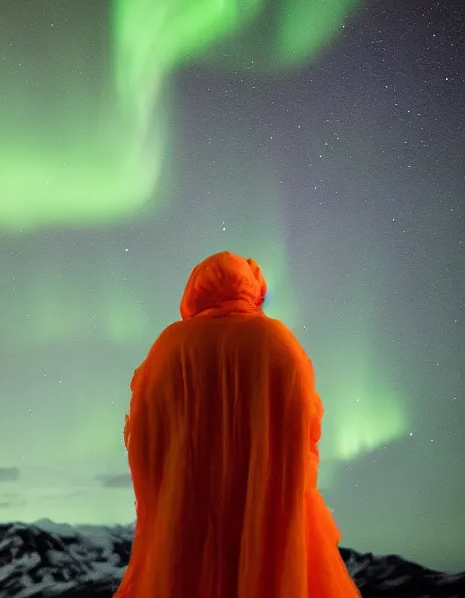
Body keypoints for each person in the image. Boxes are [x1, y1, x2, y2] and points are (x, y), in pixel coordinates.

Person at [114, 251, 361, 598]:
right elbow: (308, 430)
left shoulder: (168, 349)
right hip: (270, 514)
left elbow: (143, 442)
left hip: (186, 513)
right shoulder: (278, 342)